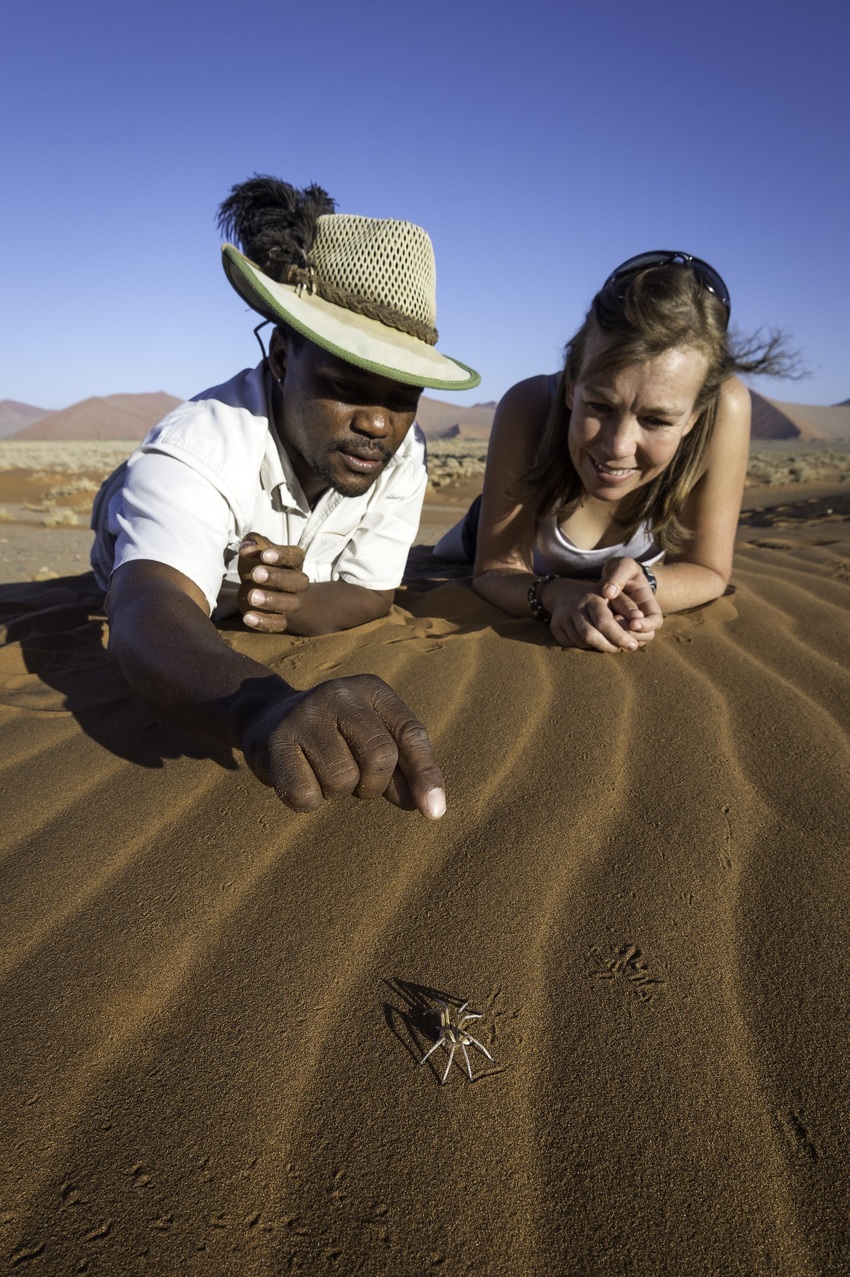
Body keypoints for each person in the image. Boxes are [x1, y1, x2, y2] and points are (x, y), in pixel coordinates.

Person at [91, 176, 480, 816]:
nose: (378, 424)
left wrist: (291, 602)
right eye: (345, 385)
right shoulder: (200, 448)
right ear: (280, 355)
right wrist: (261, 706)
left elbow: (372, 593)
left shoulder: (401, 453)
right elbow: (143, 610)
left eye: (402, 398)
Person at [435, 250, 791, 652]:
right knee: (439, 553)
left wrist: (647, 580)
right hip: (480, 528)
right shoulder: (529, 404)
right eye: (599, 406)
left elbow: (709, 569)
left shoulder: (725, 409)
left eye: (656, 421)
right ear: (571, 385)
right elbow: (493, 571)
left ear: (695, 416)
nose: (617, 446)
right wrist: (554, 596)